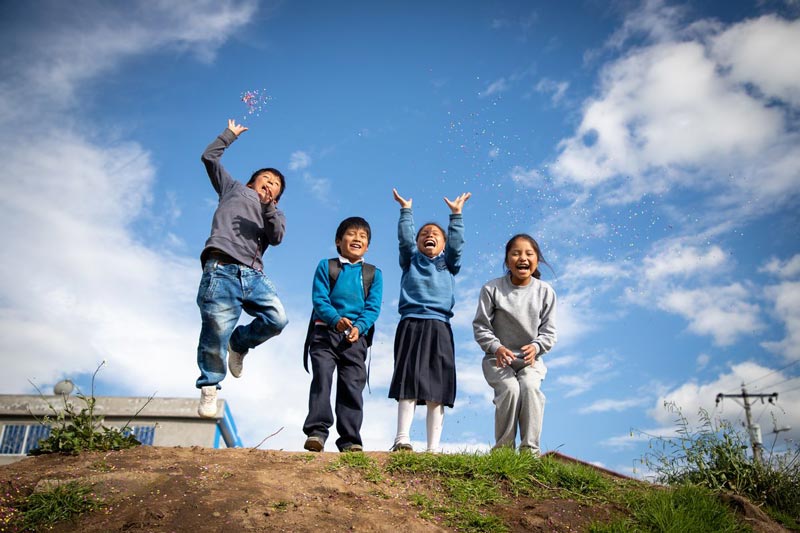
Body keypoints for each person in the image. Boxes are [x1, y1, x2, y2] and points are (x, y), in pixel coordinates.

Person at [195, 119, 288, 418]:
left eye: (276, 184)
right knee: (215, 331)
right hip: (220, 269)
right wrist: (229, 135)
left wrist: (270, 208)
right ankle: (210, 386)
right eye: (266, 178)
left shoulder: (273, 212)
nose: (270, 183)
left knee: (277, 318)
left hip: (253, 275)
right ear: (252, 182)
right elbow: (209, 158)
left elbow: (276, 239)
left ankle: (241, 342)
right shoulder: (233, 188)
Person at [388, 188, 470, 453]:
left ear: (444, 245)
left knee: (438, 387)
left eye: (435, 234)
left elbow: (457, 246)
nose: (429, 236)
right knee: (408, 380)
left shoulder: (449, 263)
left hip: (440, 326)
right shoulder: (410, 260)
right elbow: (404, 240)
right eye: (424, 234)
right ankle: (402, 439)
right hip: (411, 322)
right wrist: (406, 211)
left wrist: (455, 216)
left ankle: (433, 448)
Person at [302, 217, 383, 452]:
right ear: (338, 241)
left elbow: (373, 307)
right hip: (324, 334)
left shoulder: (373, 274)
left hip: (356, 339)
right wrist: (336, 320)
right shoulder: (326, 266)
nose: (357, 238)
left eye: (363, 236)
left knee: (352, 386)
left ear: (368, 245)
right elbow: (319, 299)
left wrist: (359, 327)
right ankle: (316, 432)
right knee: (322, 379)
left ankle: (350, 439)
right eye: (351, 234)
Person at [472, 234, 557, 455]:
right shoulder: (492, 289)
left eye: (529, 253)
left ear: (537, 259)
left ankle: (529, 451)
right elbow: (481, 326)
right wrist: (496, 347)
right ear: (507, 259)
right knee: (510, 390)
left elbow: (549, 332)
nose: (523, 258)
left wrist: (537, 347)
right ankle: (504, 452)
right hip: (498, 358)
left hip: (531, 361)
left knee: (529, 388)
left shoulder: (545, 292)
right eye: (516, 253)